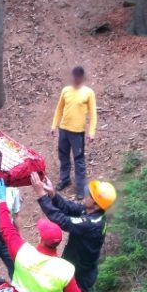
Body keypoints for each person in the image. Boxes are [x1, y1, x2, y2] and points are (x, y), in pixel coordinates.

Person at [30, 172, 115, 292]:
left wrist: (41, 196)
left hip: (79, 275)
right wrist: (52, 195)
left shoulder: (91, 223)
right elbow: (70, 208)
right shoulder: (92, 213)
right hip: (81, 271)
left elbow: (64, 221)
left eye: (89, 195)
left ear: (96, 203)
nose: (85, 195)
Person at [50, 66, 98, 197]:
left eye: (78, 77)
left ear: (82, 78)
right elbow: (59, 109)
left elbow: (93, 114)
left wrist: (91, 131)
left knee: (79, 159)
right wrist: (54, 125)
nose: (76, 79)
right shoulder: (66, 90)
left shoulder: (88, 93)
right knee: (63, 155)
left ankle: (81, 187)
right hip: (64, 129)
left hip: (78, 132)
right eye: (74, 77)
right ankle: (64, 179)